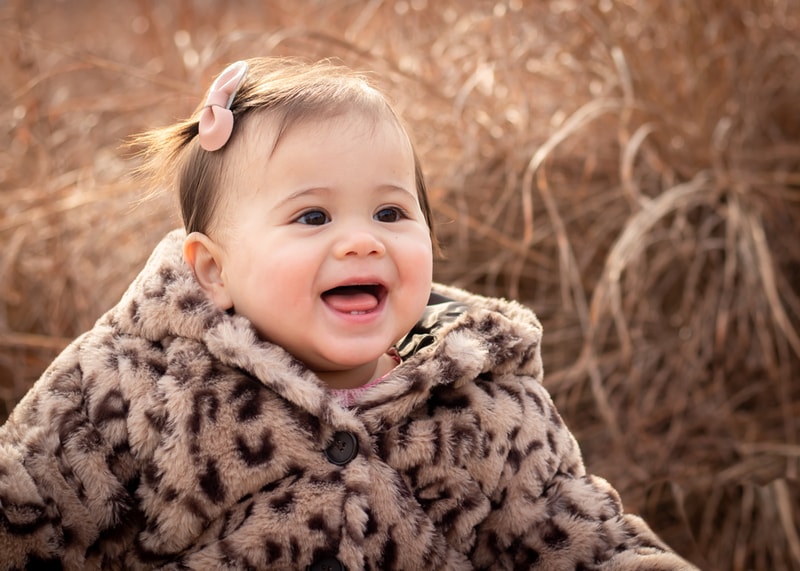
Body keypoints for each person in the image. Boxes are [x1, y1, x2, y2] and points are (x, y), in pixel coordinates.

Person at [0, 57, 697, 570]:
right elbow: (29, 507)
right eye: (312, 215)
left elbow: (579, 537)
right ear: (213, 269)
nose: (363, 239)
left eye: (392, 211)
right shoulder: (137, 385)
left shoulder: (484, 403)